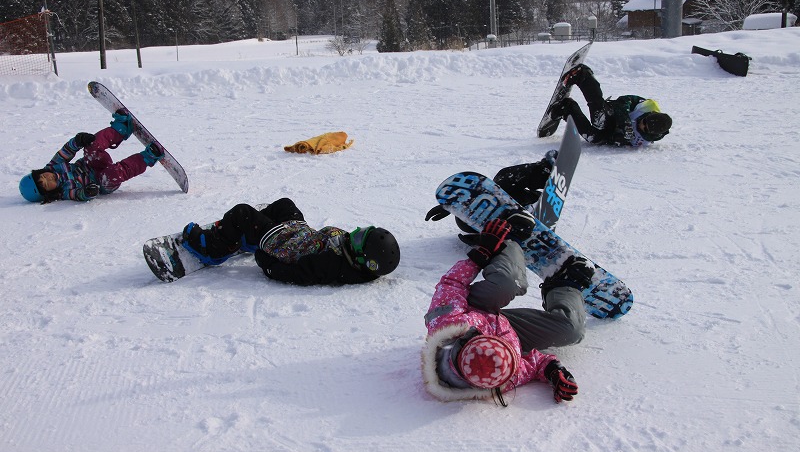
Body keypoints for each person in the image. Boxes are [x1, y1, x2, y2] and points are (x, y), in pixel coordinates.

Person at [421, 215, 594, 406]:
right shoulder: (501, 373)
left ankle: (508, 242)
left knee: (506, 285)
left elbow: (452, 284)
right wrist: (554, 371)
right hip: (507, 329)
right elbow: (534, 365)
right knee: (571, 330)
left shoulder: (447, 325)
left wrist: (482, 252)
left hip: (474, 308)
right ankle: (563, 285)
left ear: (469, 340)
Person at [181, 198, 401, 285]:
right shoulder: (350, 255)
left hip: (283, 246)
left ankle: (214, 249)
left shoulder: (331, 265)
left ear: (364, 259)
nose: (354, 233)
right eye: (361, 231)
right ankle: (250, 236)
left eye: (359, 238)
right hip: (300, 235)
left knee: (242, 213)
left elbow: (296, 274)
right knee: (285, 205)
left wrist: (265, 259)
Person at [19, 110, 164, 203]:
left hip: (92, 164)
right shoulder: (64, 191)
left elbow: (66, 151)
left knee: (92, 146)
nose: (48, 178)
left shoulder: (53, 166)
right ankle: (148, 157)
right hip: (102, 182)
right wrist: (88, 192)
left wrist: (78, 141)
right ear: (48, 193)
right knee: (112, 173)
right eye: (45, 184)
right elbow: (78, 194)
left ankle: (120, 129)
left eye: (43, 176)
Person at [424, 150, 558, 234]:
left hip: (492, 217)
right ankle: (541, 172)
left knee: (505, 178)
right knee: (506, 181)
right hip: (510, 220)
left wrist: (449, 206)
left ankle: (541, 171)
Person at [548, 64, 672, 147]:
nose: (641, 124)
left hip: (612, 130)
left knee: (593, 138)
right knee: (599, 118)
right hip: (612, 113)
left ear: (651, 133)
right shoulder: (647, 106)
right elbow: (624, 101)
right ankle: (583, 76)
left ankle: (568, 109)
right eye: (644, 120)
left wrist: (618, 139)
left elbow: (625, 143)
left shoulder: (647, 140)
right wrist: (625, 122)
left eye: (644, 127)